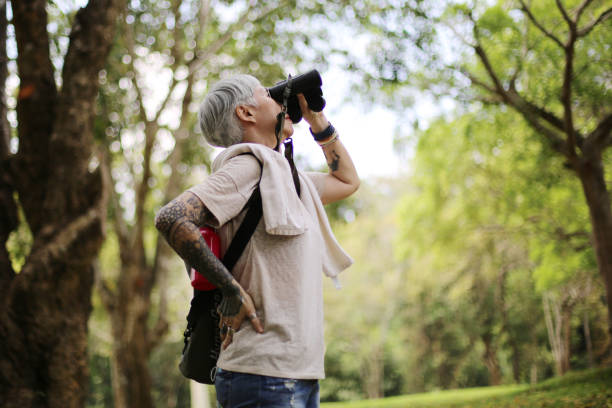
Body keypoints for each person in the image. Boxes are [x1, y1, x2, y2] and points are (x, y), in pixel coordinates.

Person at [155, 73, 359, 407]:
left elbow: (347, 180)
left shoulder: (286, 180)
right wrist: (230, 289)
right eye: (268, 94)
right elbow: (171, 217)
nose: (281, 101)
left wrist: (316, 120)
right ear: (246, 113)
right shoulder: (248, 167)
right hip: (263, 375)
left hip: (296, 372)